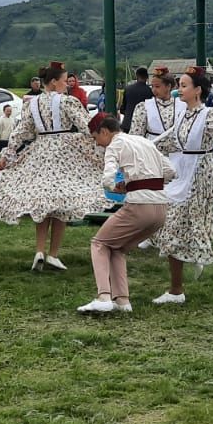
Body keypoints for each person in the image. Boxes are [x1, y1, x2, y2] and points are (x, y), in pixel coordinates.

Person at [0, 62, 108, 271]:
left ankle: (39, 250)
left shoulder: (33, 104)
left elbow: (20, 133)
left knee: (43, 202)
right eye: (64, 81)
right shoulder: (68, 102)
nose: (67, 85)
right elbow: (87, 126)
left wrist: (7, 156)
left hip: (40, 151)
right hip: (65, 153)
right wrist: (105, 139)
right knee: (61, 204)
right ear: (54, 82)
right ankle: (53, 254)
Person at [148, 66, 213, 305]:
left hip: (199, 177)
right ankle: (178, 284)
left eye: (184, 86)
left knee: (177, 226)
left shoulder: (210, 115)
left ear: (198, 91)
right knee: (171, 225)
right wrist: (141, 148)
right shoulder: (184, 115)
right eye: (179, 86)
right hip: (181, 172)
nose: (179, 90)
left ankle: (176, 290)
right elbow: (168, 140)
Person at [77, 114, 175, 313]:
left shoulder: (115, 145)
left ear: (104, 131)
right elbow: (172, 171)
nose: (98, 144)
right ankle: (123, 301)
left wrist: (115, 187)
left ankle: (103, 297)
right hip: (161, 208)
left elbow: (107, 178)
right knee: (117, 248)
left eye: (96, 138)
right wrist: (137, 183)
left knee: (99, 243)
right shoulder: (143, 141)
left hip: (139, 206)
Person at [128, 68, 188, 250]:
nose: (153, 90)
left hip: (178, 156)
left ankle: (174, 234)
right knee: (153, 197)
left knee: (175, 197)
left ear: (169, 86)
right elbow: (136, 133)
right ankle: (150, 235)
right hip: (152, 156)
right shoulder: (144, 106)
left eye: (157, 86)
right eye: (152, 86)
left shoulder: (183, 105)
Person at [120, 67, 153, 133]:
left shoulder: (128, 89)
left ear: (136, 76)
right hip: (143, 126)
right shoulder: (150, 91)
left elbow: (123, 107)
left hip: (127, 123)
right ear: (147, 77)